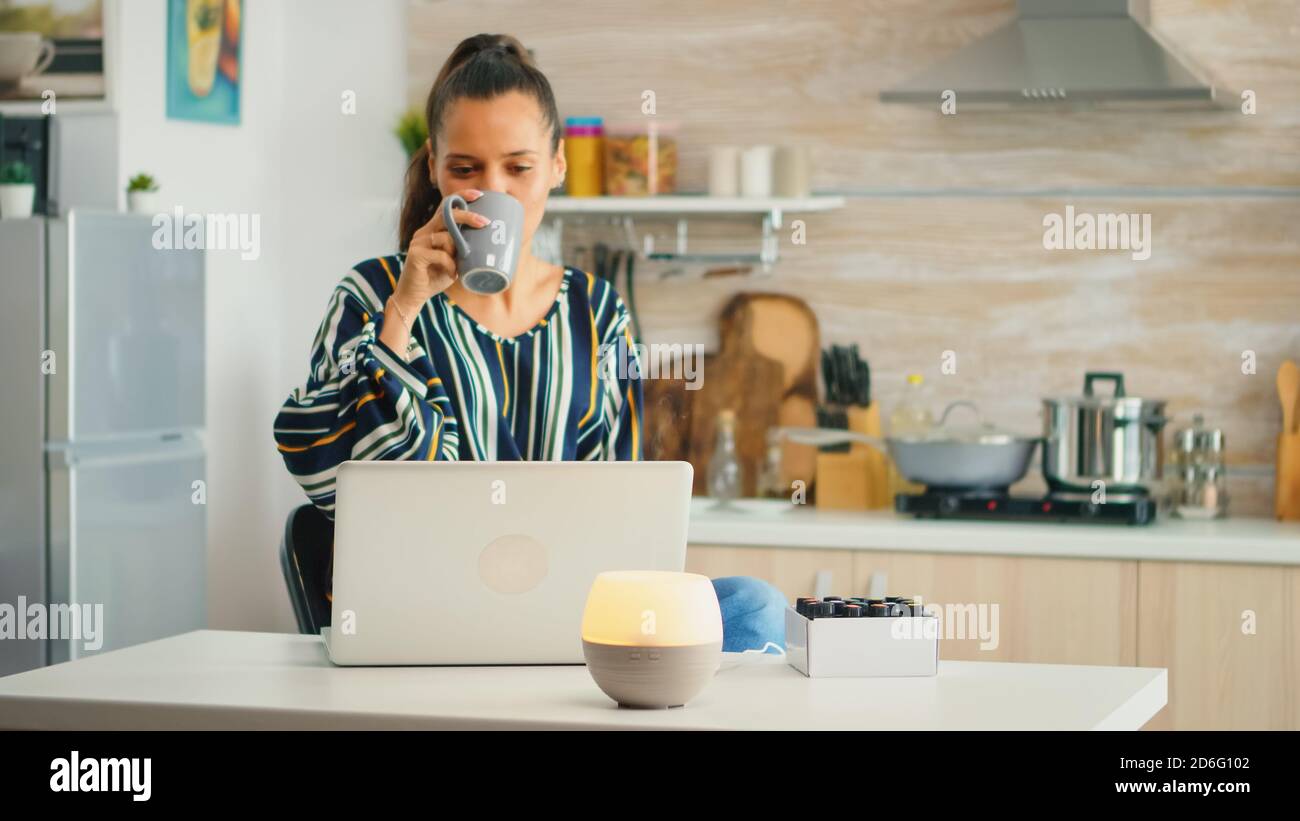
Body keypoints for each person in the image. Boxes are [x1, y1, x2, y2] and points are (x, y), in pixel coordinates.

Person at [273, 33, 784, 654]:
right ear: (433, 166)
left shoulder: (598, 311)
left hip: (568, 612)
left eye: (519, 168)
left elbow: (620, 497)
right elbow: (339, 481)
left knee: (756, 608)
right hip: (425, 613)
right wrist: (404, 310)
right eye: (466, 169)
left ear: (557, 168)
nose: (496, 193)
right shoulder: (373, 293)